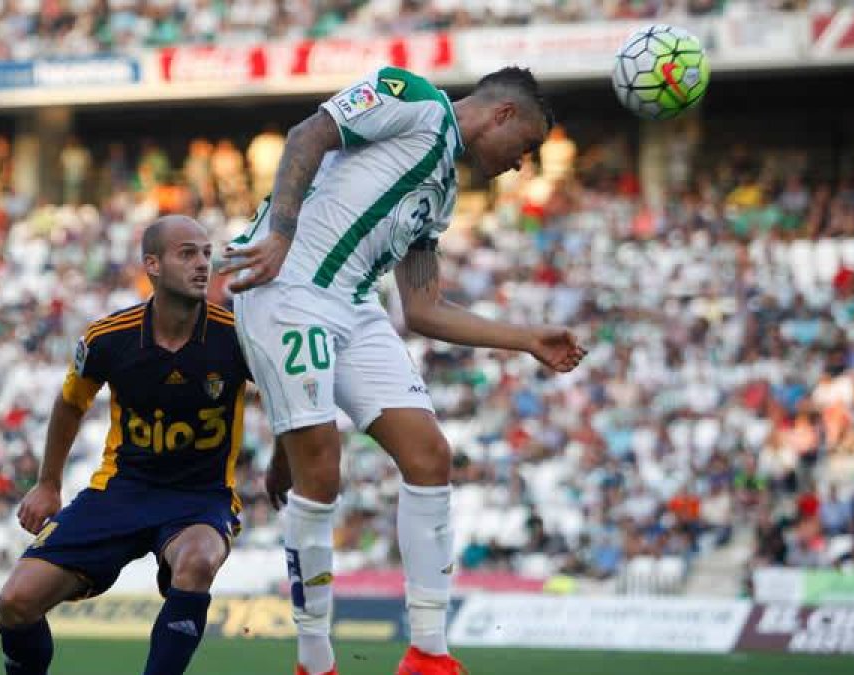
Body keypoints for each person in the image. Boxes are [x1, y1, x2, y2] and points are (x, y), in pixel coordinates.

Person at [223, 66, 587, 675]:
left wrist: (525, 339)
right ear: (502, 115)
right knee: (322, 470)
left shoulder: (442, 194)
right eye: (525, 147)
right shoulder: (412, 99)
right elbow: (307, 135)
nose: (522, 164)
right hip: (286, 287)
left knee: (429, 455)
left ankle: (428, 655)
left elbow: (423, 308)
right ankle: (315, 663)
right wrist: (282, 232)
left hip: (355, 307)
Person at [0, 215, 252, 675]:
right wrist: (48, 484)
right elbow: (69, 405)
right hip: (120, 493)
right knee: (16, 601)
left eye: (207, 254)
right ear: (152, 265)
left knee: (195, 563)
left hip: (199, 499)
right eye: (187, 254)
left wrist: (284, 467)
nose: (202, 265)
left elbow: (285, 398)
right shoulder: (108, 338)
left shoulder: (237, 336)